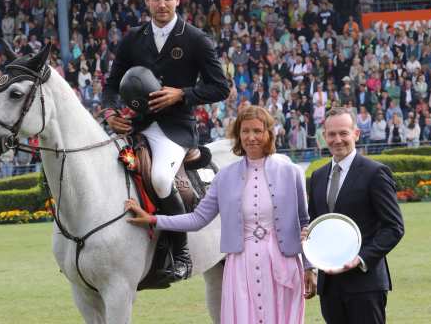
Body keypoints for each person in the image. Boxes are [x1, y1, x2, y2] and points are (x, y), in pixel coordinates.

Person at [126, 106, 312, 324]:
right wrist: (154, 220)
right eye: (245, 131)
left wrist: (309, 266)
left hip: (283, 265)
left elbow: (304, 222)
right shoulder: (224, 177)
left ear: (269, 133)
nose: (251, 137)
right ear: (238, 136)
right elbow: (198, 219)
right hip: (241, 267)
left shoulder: (291, 172)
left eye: (257, 131)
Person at [102, 0, 229, 281]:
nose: (162, 4)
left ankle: (180, 251)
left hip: (175, 129)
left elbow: (220, 88)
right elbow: (110, 85)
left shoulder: (196, 39)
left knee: (160, 178)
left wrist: (181, 94)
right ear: (147, 0)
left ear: (178, 0)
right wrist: (109, 113)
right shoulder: (132, 38)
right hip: (136, 127)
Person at [305, 107, 404, 324]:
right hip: (329, 285)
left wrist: (360, 259)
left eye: (343, 133)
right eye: (331, 134)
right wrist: (308, 237)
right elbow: (315, 223)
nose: (337, 139)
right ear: (324, 136)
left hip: (365, 283)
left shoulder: (375, 173)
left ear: (356, 134)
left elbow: (394, 227)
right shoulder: (318, 177)